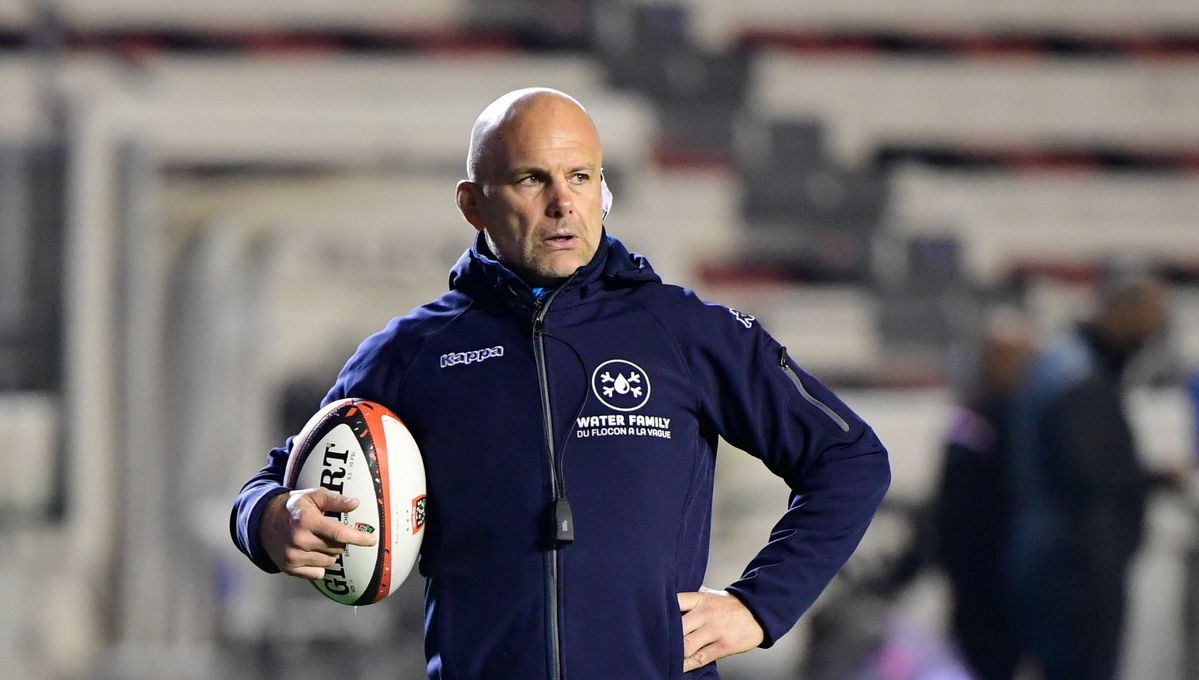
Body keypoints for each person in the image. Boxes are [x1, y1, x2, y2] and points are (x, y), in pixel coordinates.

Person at [230, 88, 891, 679]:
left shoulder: (681, 331)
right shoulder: (411, 355)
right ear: (473, 203)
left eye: (581, 177)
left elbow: (849, 458)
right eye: (532, 179)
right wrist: (270, 520)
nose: (562, 203)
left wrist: (759, 606)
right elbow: (275, 484)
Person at [1006, 268, 1168, 680]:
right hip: (1075, 567)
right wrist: (1153, 478)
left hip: (1064, 560)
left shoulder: (1072, 367)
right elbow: (1087, 473)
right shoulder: (1078, 379)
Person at [933, 310, 1034, 680]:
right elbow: (952, 499)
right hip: (976, 568)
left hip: (1012, 566)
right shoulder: (975, 417)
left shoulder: (1027, 416)